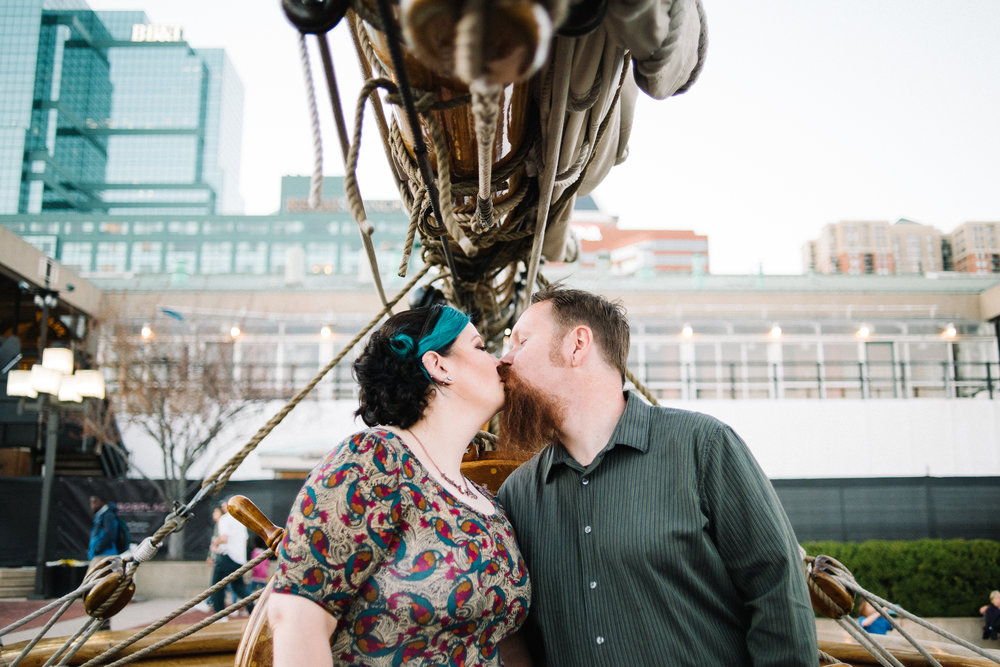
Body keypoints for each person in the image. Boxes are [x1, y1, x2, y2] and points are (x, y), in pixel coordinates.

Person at [495, 284, 817, 666]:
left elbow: (778, 594)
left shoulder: (703, 446)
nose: (504, 359)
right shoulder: (517, 494)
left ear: (577, 344)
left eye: (520, 342)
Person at [268, 304, 530, 665]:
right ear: (439, 365)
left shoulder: (485, 502)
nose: (500, 361)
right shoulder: (372, 462)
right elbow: (297, 618)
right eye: (481, 347)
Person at [210, 497, 249, 614]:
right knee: (239, 587)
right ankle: (254, 609)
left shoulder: (225, 519)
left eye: (224, 505)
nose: (222, 507)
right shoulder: (241, 520)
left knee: (216, 586)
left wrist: (214, 543)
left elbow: (224, 538)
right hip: (239, 558)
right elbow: (245, 540)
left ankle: (219, 614)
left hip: (228, 556)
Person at [87, 494, 121, 561]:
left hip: (105, 556)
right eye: (91, 502)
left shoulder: (108, 515)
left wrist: (98, 549)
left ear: (103, 502)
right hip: (99, 556)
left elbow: (109, 535)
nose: (92, 505)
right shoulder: (100, 516)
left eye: (95, 502)